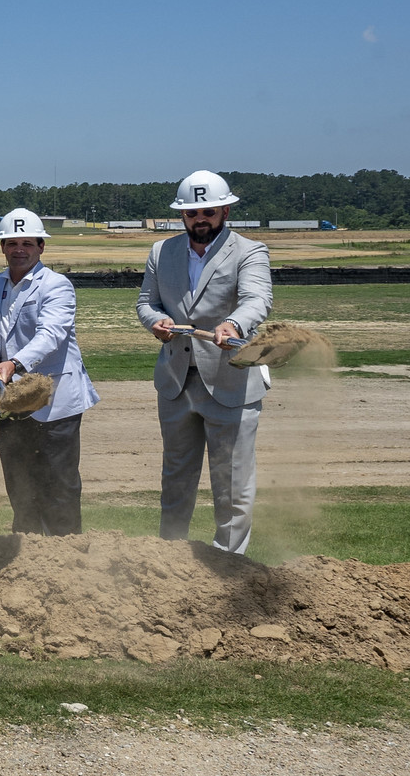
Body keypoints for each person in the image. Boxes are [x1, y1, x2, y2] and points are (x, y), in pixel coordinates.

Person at [134, 171, 273, 554]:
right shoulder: (162, 251)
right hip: (176, 383)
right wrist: (155, 322)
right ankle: (171, 560)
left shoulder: (250, 250)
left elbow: (257, 299)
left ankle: (229, 563)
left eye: (209, 212)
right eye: (192, 213)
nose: (200, 220)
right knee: (175, 479)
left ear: (225, 210)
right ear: (182, 215)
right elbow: (147, 301)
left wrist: (234, 323)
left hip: (231, 383)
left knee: (231, 483)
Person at [0, 210, 100, 536]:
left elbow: (50, 335)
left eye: (27, 242)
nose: (19, 249)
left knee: (59, 485)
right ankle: (25, 556)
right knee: (19, 485)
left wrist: (14, 364)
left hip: (54, 401)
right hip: (9, 399)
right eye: (12, 242)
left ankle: (69, 559)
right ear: (2, 247)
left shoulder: (57, 286)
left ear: (42, 246)